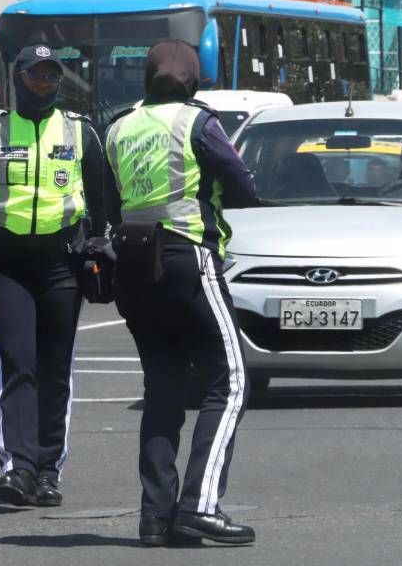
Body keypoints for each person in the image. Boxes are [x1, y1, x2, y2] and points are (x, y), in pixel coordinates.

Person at [104, 39, 258, 546]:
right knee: (229, 380)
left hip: (132, 264)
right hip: (187, 254)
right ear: (192, 79)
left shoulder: (119, 126)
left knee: (163, 389)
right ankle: (200, 505)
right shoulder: (198, 122)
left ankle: (156, 516)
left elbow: (107, 201)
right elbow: (242, 186)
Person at [0, 45, 105, 508]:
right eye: (36, 75)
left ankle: (47, 471)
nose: (44, 83)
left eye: (51, 76)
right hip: (7, 263)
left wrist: (98, 252)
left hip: (62, 262)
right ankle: (18, 467)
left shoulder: (81, 132)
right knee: (17, 361)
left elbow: (104, 206)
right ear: (18, 77)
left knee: (55, 367)